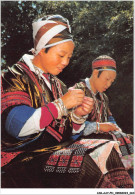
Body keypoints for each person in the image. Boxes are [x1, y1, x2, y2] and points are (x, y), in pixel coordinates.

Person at [1, 15, 133, 188]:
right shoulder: (13, 76)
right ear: (41, 49)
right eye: (61, 55)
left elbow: (70, 133)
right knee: (84, 164)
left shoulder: (58, 84)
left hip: (53, 149)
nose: (65, 62)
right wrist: (61, 105)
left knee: (109, 149)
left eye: (69, 57)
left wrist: (78, 116)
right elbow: (18, 127)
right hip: (22, 158)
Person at [73, 55, 133, 178]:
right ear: (95, 73)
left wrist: (117, 130)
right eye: (107, 79)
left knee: (129, 139)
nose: (109, 84)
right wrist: (99, 126)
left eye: (111, 81)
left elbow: (110, 119)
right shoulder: (78, 91)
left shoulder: (103, 97)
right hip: (78, 139)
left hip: (102, 137)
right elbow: (70, 125)